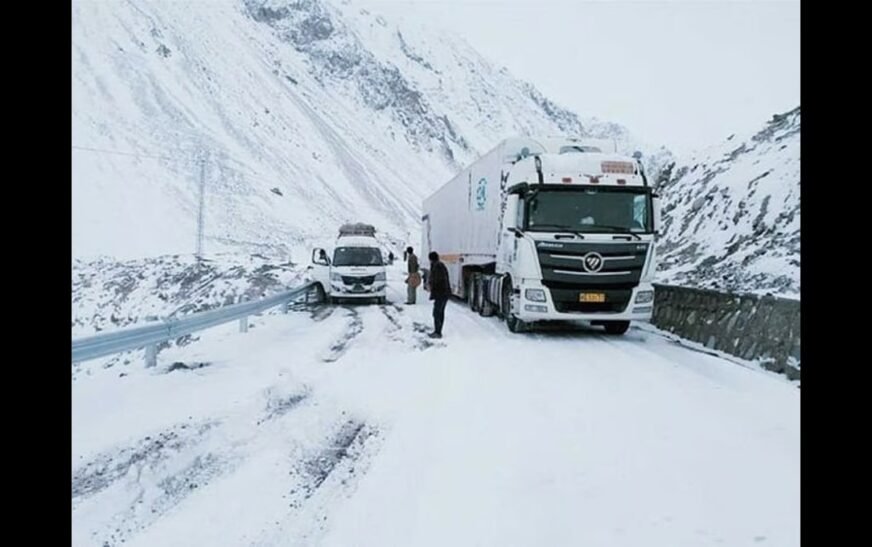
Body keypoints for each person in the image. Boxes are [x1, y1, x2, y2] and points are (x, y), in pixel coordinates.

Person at [427, 251, 451, 338]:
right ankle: (438, 331)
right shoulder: (440, 265)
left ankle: (437, 332)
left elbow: (437, 280)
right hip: (444, 293)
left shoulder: (437, 266)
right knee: (440, 312)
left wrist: (431, 285)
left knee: (437, 313)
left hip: (441, 293)